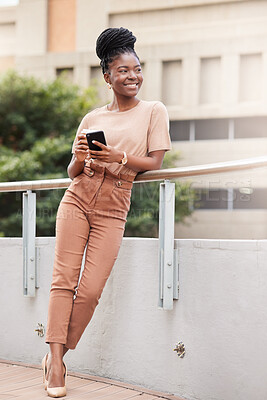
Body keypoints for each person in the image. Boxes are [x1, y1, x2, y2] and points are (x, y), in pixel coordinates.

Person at [42, 26, 171, 398]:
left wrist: (120, 158)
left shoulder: (153, 112)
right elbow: (72, 172)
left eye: (137, 69)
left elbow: (156, 163)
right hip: (76, 200)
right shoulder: (91, 118)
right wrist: (81, 158)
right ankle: (57, 366)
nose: (133, 77)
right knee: (63, 281)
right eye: (123, 71)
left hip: (114, 207)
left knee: (91, 290)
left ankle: (57, 353)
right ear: (107, 76)